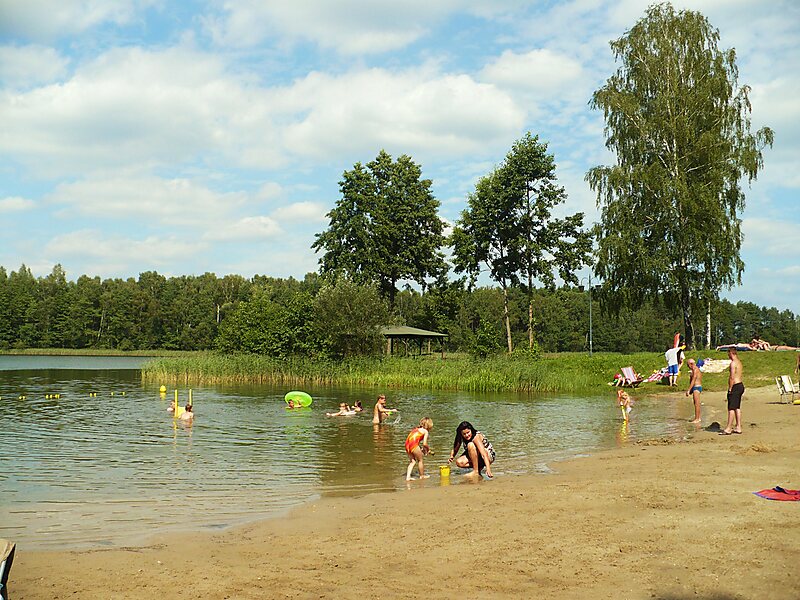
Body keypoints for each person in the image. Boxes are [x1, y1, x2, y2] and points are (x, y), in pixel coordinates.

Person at [721, 348, 744, 435]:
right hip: (740, 385)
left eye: (728, 354)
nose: (728, 356)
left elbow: (732, 377)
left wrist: (730, 388)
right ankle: (738, 427)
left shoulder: (733, 363)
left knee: (731, 408)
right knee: (737, 407)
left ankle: (728, 428)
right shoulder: (739, 362)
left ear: (731, 353)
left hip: (735, 386)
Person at [685, 358, 702, 424]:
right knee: (696, 403)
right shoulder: (694, 370)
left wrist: (689, 390)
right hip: (695, 387)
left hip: (697, 387)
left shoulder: (695, 370)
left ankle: (697, 418)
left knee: (697, 404)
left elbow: (694, 380)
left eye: (688, 365)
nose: (688, 366)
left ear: (691, 364)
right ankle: (698, 417)